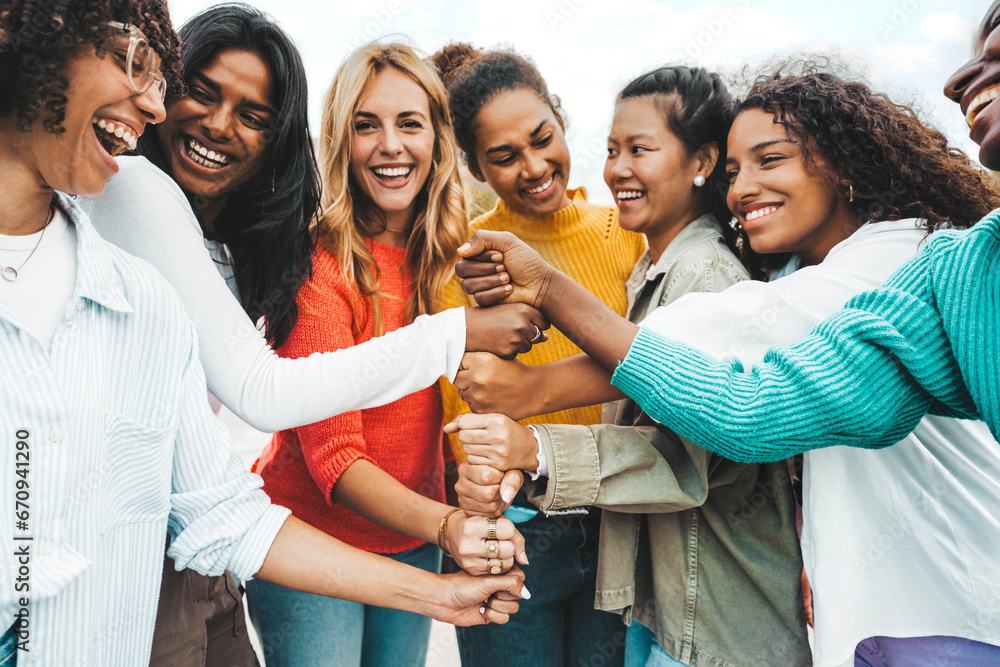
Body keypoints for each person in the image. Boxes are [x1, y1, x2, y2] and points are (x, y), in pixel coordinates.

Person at [0, 2, 526, 664]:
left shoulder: (150, 290)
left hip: (179, 570)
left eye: (254, 115)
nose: (155, 107)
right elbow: (272, 399)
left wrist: (438, 585)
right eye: (135, 63)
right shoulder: (138, 198)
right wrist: (457, 335)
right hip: (158, 579)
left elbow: (222, 512)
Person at [453, 66, 1000, 667]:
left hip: (954, 605)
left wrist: (534, 388)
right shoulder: (797, 271)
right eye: (736, 171)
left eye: (772, 159)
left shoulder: (891, 261)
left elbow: (720, 365)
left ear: (845, 162)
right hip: (881, 612)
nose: (742, 187)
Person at [450, 65, 811, 667]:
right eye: (613, 150)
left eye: (639, 149)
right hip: (673, 604)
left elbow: (679, 458)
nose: (616, 168)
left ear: (701, 162)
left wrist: (533, 445)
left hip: (713, 623)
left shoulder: (703, 274)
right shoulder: (653, 264)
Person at [242, 43, 527, 667]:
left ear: (438, 140)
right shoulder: (319, 265)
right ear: (340, 142)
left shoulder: (454, 259)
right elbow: (335, 462)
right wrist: (450, 526)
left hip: (413, 534)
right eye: (366, 125)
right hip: (312, 538)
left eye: (410, 124)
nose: (390, 145)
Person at [432, 43, 647, 667]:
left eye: (541, 137)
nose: (533, 165)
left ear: (559, 117)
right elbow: (464, 418)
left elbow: (661, 366)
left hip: (622, 515)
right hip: (520, 521)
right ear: (475, 168)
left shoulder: (626, 237)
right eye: (504, 156)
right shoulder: (468, 269)